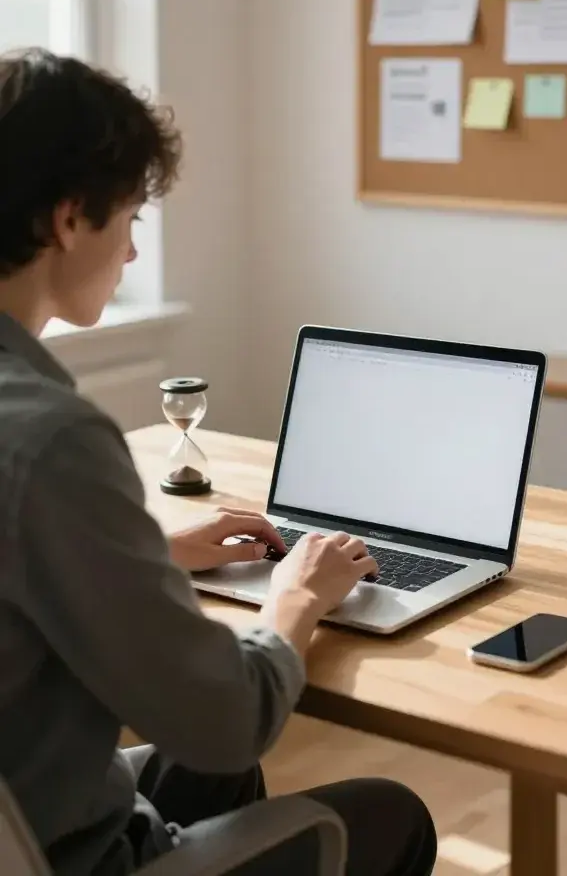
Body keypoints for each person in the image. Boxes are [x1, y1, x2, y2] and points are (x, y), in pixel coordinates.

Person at [0, 48, 437, 876]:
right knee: (391, 811)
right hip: (67, 850)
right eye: (130, 217)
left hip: (28, 800)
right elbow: (228, 716)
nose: (131, 253)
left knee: (221, 773)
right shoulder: (51, 437)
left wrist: (147, 559)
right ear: (67, 219)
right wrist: (295, 600)